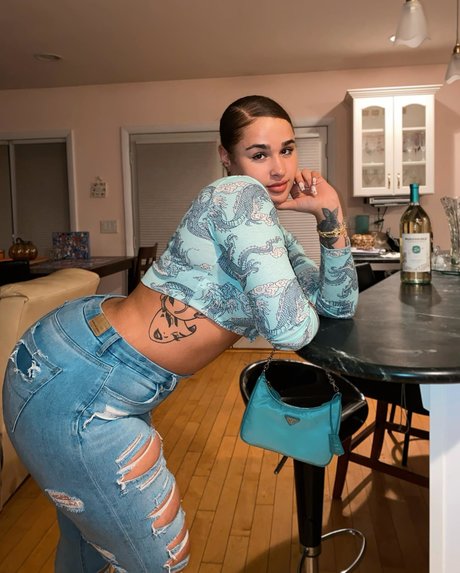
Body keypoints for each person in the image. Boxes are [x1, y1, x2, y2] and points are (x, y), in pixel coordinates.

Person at [2, 95, 358, 573]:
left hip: (88, 360)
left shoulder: (268, 226)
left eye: (287, 150)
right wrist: (293, 297)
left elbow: (337, 305)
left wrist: (330, 214)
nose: (279, 169)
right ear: (226, 157)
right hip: (82, 384)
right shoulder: (238, 195)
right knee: (160, 562)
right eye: (259, 154)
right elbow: (290, 327)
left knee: (88, 549)